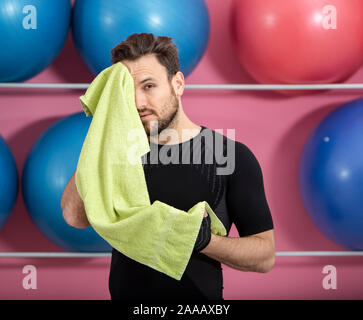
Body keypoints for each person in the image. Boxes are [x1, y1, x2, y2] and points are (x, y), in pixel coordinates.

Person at [61, 33, 275, 301]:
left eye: (148, 86)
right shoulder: (120, 153)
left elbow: (264, 256)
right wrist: (104, 132)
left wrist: (206, 241)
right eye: (128, 90)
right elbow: (75, 217)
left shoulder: (230, 155)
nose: (138, 102)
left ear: (178, 83)